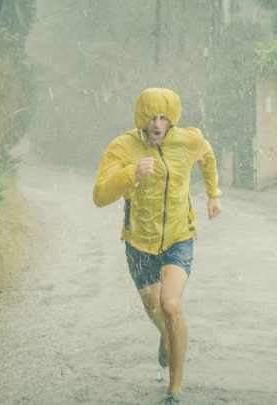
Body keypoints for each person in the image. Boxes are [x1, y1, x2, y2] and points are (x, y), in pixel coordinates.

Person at [92, 88, 222, 404]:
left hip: (179, 236)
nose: (157, 123)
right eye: (151, 116)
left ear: (172, 119)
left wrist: (214, 192)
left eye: (164, 117)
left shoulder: (187, 140)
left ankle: (174, 389)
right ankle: (167, 337)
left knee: (170, 305)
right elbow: (99, 195)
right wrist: (131, 174)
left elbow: (206, 155)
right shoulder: (122, 147)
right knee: (154, 310)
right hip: (138, 244)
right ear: (142, 117)